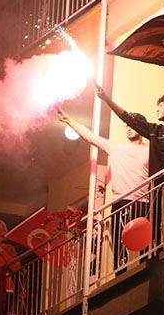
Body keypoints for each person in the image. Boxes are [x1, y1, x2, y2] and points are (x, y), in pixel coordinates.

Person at [94, 86, 164, 251]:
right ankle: (154, 254)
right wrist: (106, 98)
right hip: (155, 187)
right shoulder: (155, 130)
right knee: (153, 226)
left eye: (161, 106)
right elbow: (127, 117)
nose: (157, 109)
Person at [55, 108, 149, 273]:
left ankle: (146, 272)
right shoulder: (117, 147)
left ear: (141, 127)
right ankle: (120, 276)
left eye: (131, 125)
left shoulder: (150, 149)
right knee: (120, 245)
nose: (127, 128)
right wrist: (69, 120)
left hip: (143, 200)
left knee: (144, 245)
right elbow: (90, 137)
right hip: (121, 201)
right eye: (125, 125)